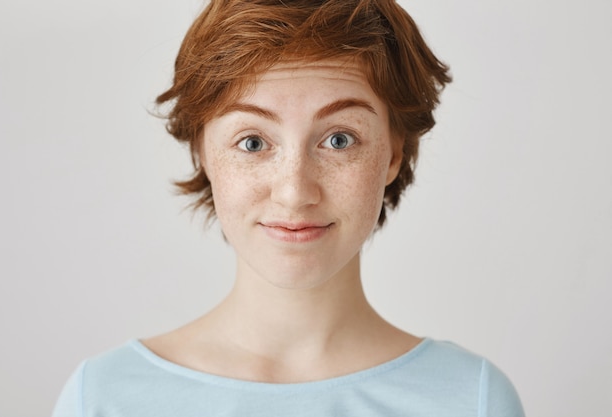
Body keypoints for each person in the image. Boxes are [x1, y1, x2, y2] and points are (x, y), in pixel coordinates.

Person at [53, 1, 525, 416]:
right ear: (202, 153)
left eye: (339, 140)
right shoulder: (103, 399)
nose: (295, 191)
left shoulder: (471, 401)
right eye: (253, 141)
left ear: (393, 155)